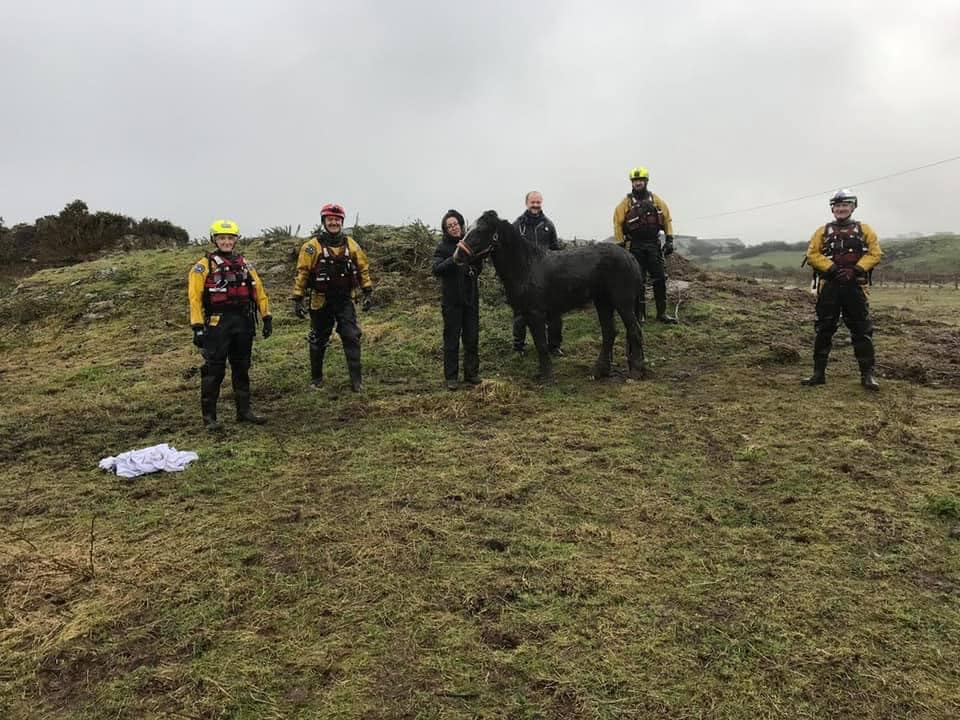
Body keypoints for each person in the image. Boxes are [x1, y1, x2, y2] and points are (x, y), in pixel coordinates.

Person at [188, 219, 272, 431]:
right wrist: (197, 326)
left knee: (242, 366)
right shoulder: (202, 267)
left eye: (230, 238)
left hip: (243, 321)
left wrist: (266, 316)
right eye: (222, 238)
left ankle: (244, 411)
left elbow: (259, 291)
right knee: (213, 369)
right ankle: (209, 417)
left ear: (236, 240)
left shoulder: (245, 264)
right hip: (218, 323)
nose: (226, 242)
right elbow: (195, 298)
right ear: (214, 240)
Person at [801, 189, 882, 391]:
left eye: (845, 205)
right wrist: (833, 269)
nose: (841, 209)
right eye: (837, 206)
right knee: (823, 329)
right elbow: (812, 254)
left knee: (862, 329)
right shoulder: (822, 231)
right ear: (833, 209)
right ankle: (818, 374)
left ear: (852, 207)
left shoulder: (865, 230)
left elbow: (875, 253)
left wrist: (856, 269)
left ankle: (867, 375)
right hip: (830, 286)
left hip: (855, 287)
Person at [291, 203, 373, 392]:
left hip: (345, 299)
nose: (334, 222)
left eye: (337, 219)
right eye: (330, 219)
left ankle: (356, 381)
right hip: (320, 300)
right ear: (324, 221)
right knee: (319, 338)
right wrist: (298, 298)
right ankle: (316, 379)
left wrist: (367, 291)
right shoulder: (311, 247)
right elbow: (302, 272)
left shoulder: (351, 244)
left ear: (342, 221)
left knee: (351, 336)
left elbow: (363, 268)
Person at [613, 167, 678, 324]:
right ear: (632, 183)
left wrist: (669, 239)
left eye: (640, 180)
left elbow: (667, 219)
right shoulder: (626, 203)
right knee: (638, 280)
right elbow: (617, 223)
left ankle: (661, 313)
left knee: (660, 278)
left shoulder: (656, 200)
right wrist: (621, 245)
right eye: (635, 181)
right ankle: (640, 315)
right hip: (635, 245)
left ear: (646, 181)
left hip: (653, 245)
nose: (638, 183)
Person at [432, 209, 483, 390]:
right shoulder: (443, 247)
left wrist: (474, 269)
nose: (454, 228)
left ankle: (471, 374)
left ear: (461, 225)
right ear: (446, 230)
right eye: (449, 226)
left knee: (471, 338)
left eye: (456, 224)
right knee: (452, 340)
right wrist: (454, 259)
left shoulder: (470, 243)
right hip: (451, 302)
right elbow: (436, 269)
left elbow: (478, 265)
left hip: (470, 299)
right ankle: (451, 377)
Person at [513, 191, 563, 355]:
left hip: (547, 277)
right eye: (532, 202)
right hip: (524, 278)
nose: (535, 205)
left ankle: (554, 346)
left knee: (554, 312)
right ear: (526, 203)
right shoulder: (517, 225)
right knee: (521, 314)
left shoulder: (549, 225)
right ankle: (518, 347)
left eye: (538, 202)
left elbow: (555, 250)